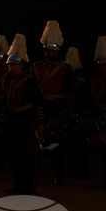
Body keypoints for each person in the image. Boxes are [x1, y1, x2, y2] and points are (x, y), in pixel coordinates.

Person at [33, 20, 73, 185]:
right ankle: (35, 174)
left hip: (58, 109)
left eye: (56, 50)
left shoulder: (65, 68)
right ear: (45, 50)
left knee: (57, 145)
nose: (54, 52)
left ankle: (58, 175)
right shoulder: (35, 67)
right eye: (51, 49)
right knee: (37, 142)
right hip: (41, 108)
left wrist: (70, 107)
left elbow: (71, 90)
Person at [79, 37, 106, 189]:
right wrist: (89, 118)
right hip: (99, 117)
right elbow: (89, 103)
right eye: (100, 65)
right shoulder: (93, 83)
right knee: (104, 151)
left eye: (105, 65)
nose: (102, 68)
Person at [3, 51, 44, 194]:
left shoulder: (30, 82)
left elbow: (39, 104)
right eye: (10, 65)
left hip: (26, 121)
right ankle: (18, 184)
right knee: (15, 155)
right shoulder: (8, 81)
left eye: (14, 65)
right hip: (12, 121)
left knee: (29, 156)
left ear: (21, 66)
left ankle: (30, 187)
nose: (11, 68)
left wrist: (40, 123)